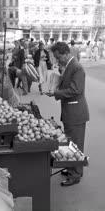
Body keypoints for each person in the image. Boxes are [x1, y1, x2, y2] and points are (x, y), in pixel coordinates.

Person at [47, 42, 89, 186]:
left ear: (65, 53)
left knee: (76, 145)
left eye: (59, 58)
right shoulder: (69, 66)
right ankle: (71, 168)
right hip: (71, 112)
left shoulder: (77, 68)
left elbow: (75, 90)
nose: (58, 61)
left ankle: (76, 174)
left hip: (76, 113)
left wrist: (55, 93)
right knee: (71, 143)